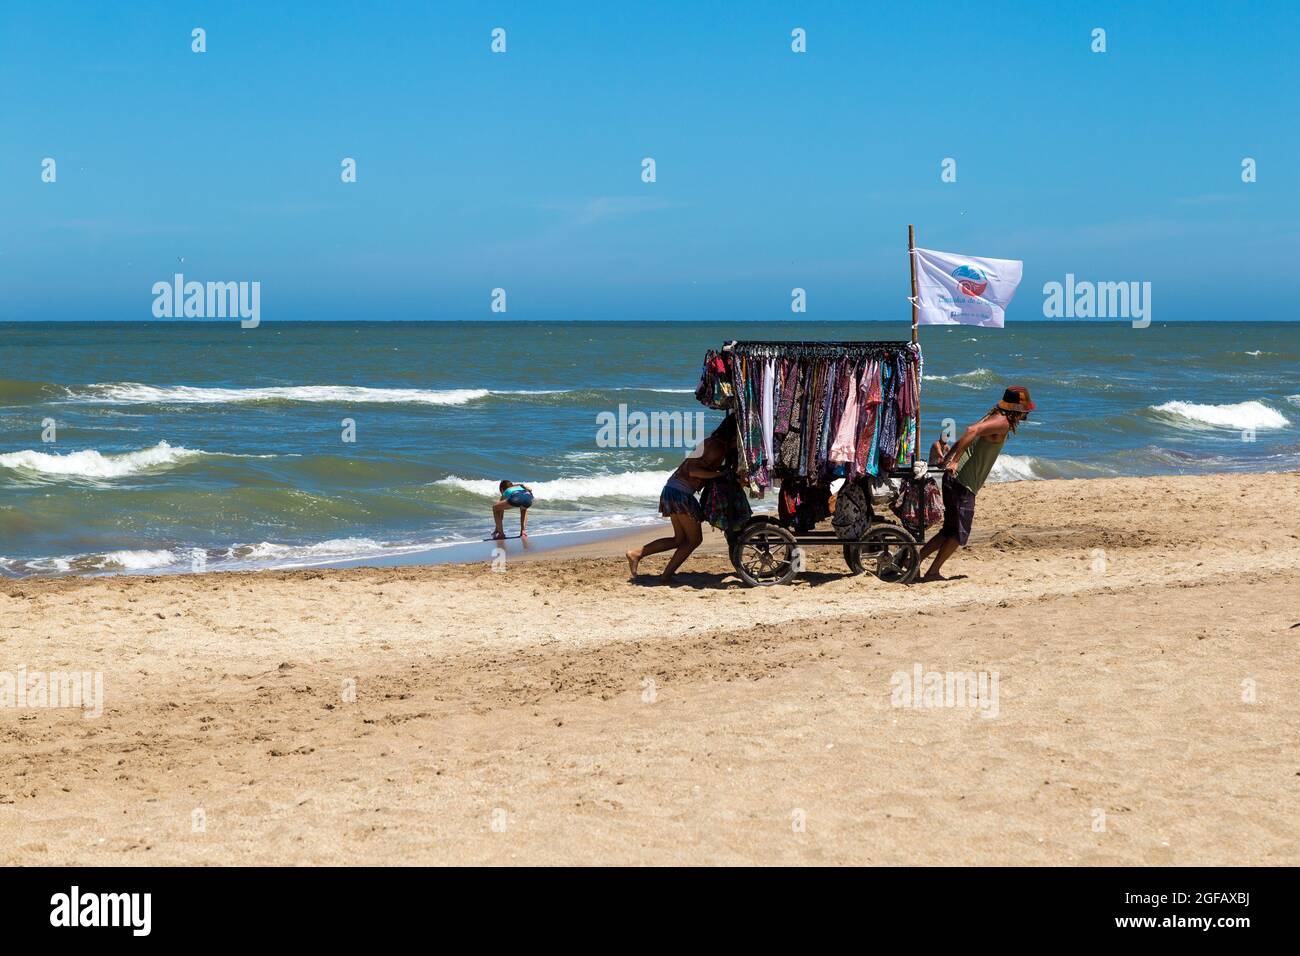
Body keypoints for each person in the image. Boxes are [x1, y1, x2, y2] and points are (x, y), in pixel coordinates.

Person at [917, 386, 1035, 582]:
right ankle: (932, 572)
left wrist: (949, 457)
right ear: (1017, 409)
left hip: (955, 479)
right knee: (958, 534)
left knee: (949, 530)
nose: (1026, 414)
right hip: (963, 482)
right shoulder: (1002, 422)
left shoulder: (993, 416)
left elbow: (969, 434)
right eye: (1025, 410)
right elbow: (971, 431)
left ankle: (914, 561)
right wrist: (954, 461)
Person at [626, 414, 738, 583]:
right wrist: (720, 474)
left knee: (679, 539)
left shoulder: (713, 442)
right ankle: (665, 575)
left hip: (673, 489)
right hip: (681, 494)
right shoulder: (717, 447)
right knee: (694, 540)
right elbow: (693, 470)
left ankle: (637, 554)